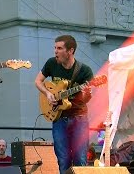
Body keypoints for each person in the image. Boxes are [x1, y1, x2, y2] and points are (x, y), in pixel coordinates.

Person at [35, 35, 93, 174]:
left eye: (59, 48)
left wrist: (86, 93)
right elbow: (38, 81)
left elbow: (87, 98)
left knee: (80, 158)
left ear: (70, 51)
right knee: (63, 159)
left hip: (78, 117)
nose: (55, 51)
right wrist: (48, 94)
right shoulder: (51, 63)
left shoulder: (84, 70)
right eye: (55, 48)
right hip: (58, 117)